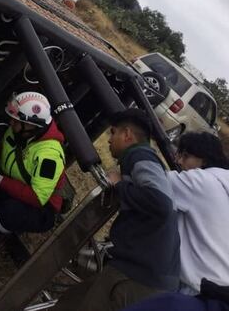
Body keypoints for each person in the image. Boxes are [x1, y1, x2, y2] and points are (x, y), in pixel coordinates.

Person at [54, 109, 180, 311]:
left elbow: (160, 204)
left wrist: (119, 184)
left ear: (127, 134)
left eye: (112, 132)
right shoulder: (140, 159)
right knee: (71, 302)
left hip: (139, 276)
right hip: (141, 271)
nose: (109, 139)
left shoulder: (140, 156)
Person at [0, 92, 69, 243]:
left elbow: (37, 197)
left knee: (10, 212)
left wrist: (1, 182)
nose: (11, 123)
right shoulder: (21, 131)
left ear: (32, 125)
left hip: (41, 207)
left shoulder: (49, 156)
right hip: (17, 187)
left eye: (16, 121)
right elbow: (5, 150)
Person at [167, 132, 229, 295]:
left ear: (204, 160)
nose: (179, 161)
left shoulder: (200, 182)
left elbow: (155, 181)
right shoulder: (224, 181)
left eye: (185, 156)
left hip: (195, 288)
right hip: (222, 293)